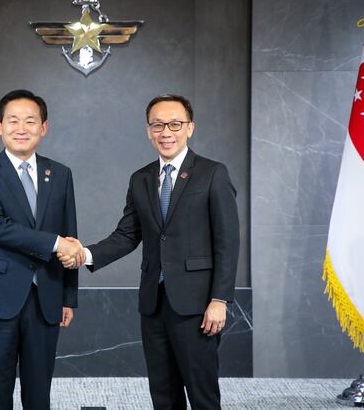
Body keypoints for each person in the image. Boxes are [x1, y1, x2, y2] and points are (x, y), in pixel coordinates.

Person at [60, 94, 239, 410]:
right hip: (154, 304)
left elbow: (227, 241)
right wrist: (84, 255)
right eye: (158, 125)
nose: (166, 132)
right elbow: (127, 235)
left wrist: (219, 299)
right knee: (163, 394)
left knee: (203, 396)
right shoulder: (140, 178)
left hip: (198, 306)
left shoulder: (213, 173)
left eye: (175, 124)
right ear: (148, 131)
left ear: (190, 128)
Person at [0, 89, 83, 410]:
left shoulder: (60, 174)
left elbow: (70, 236)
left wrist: (68, 296)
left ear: (43, 128)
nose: (21, 128)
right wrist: (56, 243)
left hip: (47, 296)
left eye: (30, 121)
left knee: (39, 392)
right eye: (13, 120)